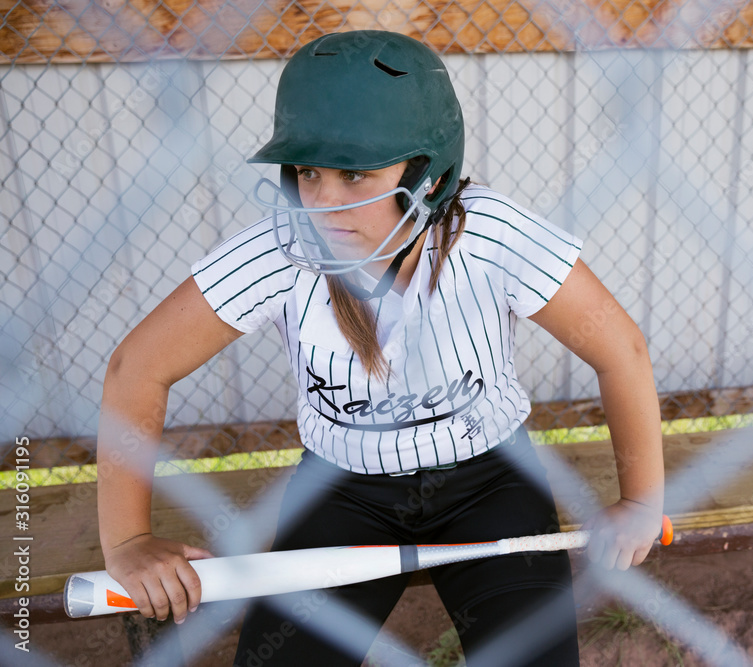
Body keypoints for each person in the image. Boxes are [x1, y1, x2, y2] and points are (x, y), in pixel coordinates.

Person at [97, 30, 664, 666]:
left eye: (356, 174)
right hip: (343, 491)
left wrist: (642, 500)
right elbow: (136, 369)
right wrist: (128, 539)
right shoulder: (281, 250)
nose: (322, 203)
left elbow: (621, 349)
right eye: (308, 172)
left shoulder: (489, 234)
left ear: (430, 175)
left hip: (489, 481)